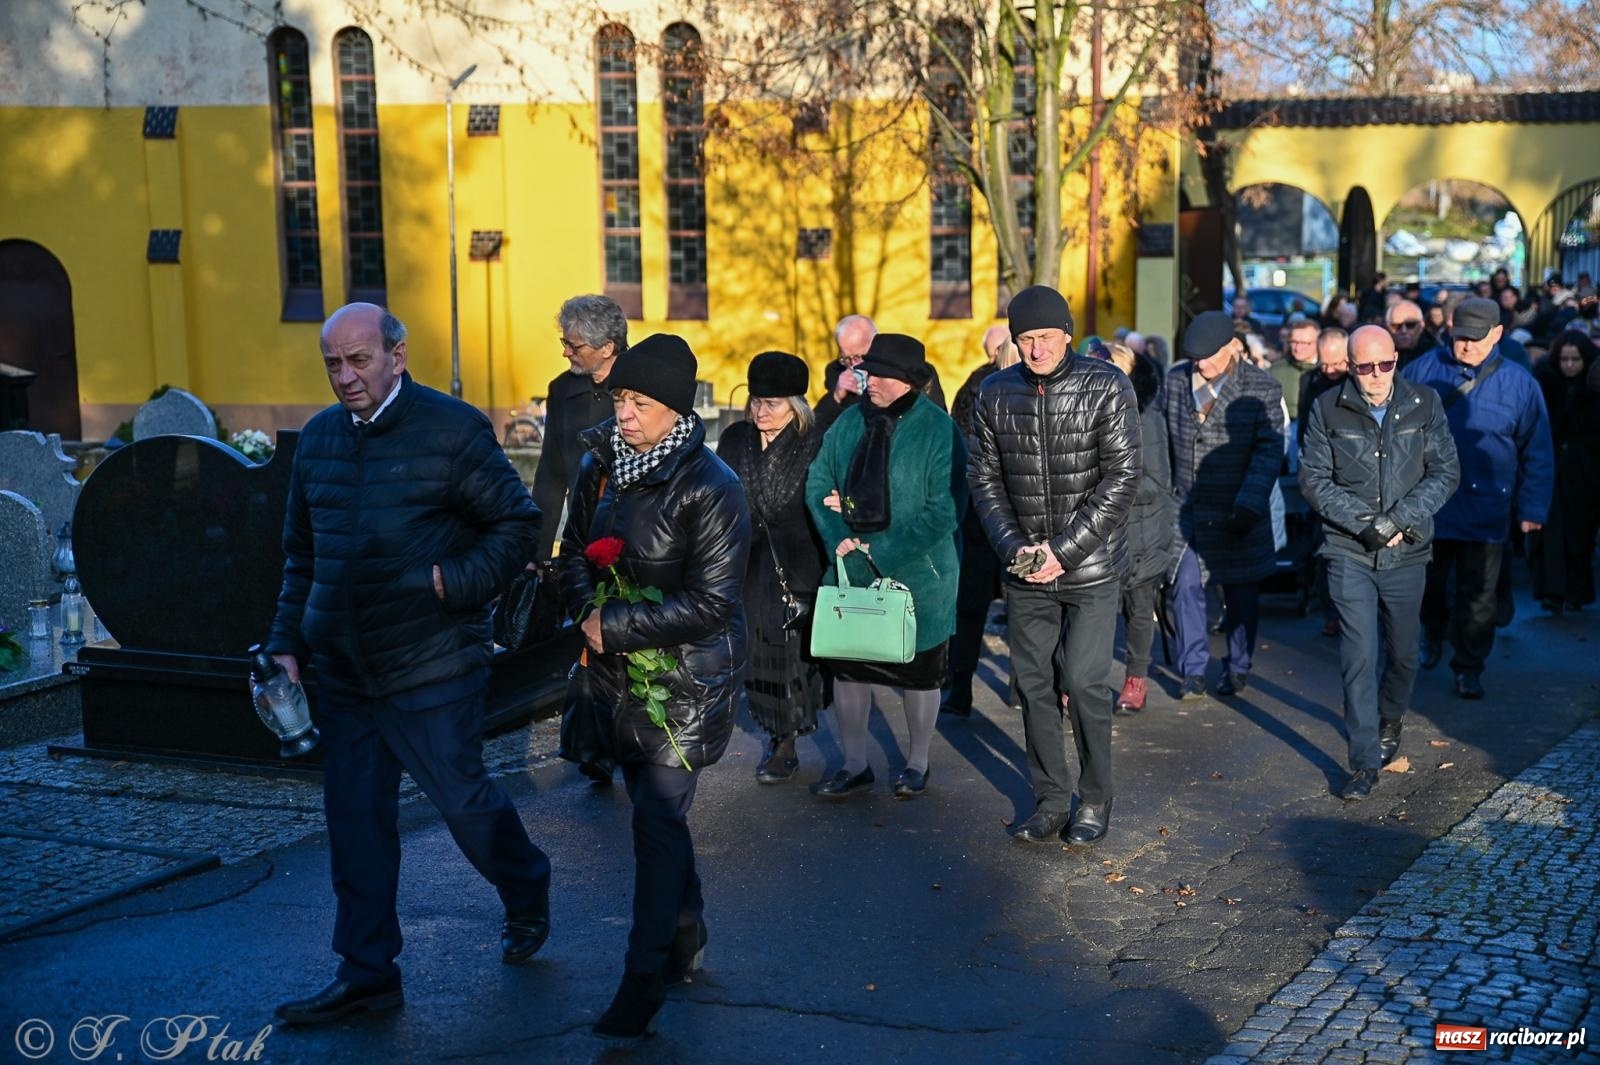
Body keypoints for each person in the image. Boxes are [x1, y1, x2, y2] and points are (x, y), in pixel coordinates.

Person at [269, 303, 551, 1025]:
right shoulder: (321, 439)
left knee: (463, 802)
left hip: (431, 662)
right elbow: (303, 555)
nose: (345, 376)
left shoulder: (452, 429)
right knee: (356, 824)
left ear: (397, 354)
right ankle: (368, 972)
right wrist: (286, 643)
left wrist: (450, 583)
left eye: (358, 359)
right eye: (333, 363)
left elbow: (518, 525)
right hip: (342, 670)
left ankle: (525, 887)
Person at [556, 333, 751, 1038]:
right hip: (614, 668)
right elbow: (574, 551)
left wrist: (620, 624)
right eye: (619, 398)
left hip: (688, 678)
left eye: (640, 402)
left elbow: (714, 601)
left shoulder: (714, 486)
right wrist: (588, 612)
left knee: (655, 818)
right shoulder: (598, 464)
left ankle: (642, 982)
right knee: (652, 808)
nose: (626, 413)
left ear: (675, 407)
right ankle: (686, 928)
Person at [968, 285, 1140, 845]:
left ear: (1067, 333)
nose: (1036, 349)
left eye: (1045, 336)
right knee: (1034, 685)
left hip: (1088, 567)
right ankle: (1048, 798)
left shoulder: (1107, 385)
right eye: (1025, 339)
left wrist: (1061, 552)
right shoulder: (994, 393)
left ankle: (1093, 798)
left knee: (1087, 681)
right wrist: (1018, 549)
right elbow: (984, 480)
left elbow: (1121, 478)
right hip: (1024, 566)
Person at [1300, 326, 1459, 801]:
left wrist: (1397, 522)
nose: (1375, 375)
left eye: (1384, 364)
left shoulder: (1424, 402)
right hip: (1349, 550)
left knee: (1405, 653)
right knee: (1358, 656)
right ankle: (1364, 762)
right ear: (1350, 366)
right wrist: (1367, 524)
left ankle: (1392, 715)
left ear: (1396, 359)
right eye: (1364, 366)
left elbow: (1445, 472)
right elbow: (1314, 479)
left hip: (1408, 549)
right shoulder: (1327, 407)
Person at [806, 333, 964, 800]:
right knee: (850, 667)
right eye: (865, 371)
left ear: (905, 380)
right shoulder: (848, 423)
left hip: (921, 575)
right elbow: (818, 484)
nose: (866, 380)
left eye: (877, 374)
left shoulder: (938, 428)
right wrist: (843, 538)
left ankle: (917, 762)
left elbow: (947, 507)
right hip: (850, 567)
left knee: (919, 671)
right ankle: (855, 764)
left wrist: (884, 550)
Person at [1402, 297, 1554, 699]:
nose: (1466, 345)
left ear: (1497, 334)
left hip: (1489, 506)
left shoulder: (1521, 384)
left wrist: (1533, 509)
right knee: (1429, 584)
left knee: (1479, 595)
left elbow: (1537, 451)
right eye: (1459, 337)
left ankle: (1469, 666)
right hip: (1430, 504)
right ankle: (1432, 630)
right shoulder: (1421, 371)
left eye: (1475, 338)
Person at [715, 351, 827, 781]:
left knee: (792, 660)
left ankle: (786, 740)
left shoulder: (814, 441)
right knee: (756, 654)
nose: (761, 411)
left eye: (773, 403)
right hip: (748, 566)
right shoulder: (734, 439)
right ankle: (777, 732)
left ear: (796, 404)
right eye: (756, 401)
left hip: (798, 566)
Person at [1164, 310, 1286, 698]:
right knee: (1184, 587)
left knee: (1241, 596)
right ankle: (1193, 670)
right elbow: (1161, 443)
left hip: (1238, 509)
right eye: (1194, 358)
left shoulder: (1262, 387)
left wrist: (1248, 503)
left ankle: (1238, 666)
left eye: (1207, 356)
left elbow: (1269, 451)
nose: (1200, 364)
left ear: (1231, 347)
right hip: (1188, 513)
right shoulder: (1174, 383)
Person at [943, 325, 1018, 717]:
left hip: (983, 511)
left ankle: (962, 687)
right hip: (996, 512)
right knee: (995, 603)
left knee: (978, 605)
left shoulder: (976, 387)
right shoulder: (982, 389)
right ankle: (971, 684)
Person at [531, 294, 628, 559]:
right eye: (565, 342)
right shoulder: (561, 390)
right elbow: (551, 475)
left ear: (607, 348)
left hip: (634, 538)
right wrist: (537, 555)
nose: (565, 352)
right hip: (580, 538)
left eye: (575, 346)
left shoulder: (644, 386)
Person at [1104, 342, 1174, 714]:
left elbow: (1159, 483)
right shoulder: (1092, 412)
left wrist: (1112, 489)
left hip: (1141, 532)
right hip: (1100, 533)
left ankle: (1136, 679)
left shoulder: (1148, 417)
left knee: (1138, 608)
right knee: (1091, 611)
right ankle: (1079, 680)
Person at [1529, 332, 1600, 614]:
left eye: (1575, 360)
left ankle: (1576, 591)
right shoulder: (1547, 385)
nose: (1569, 365)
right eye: (1565, 359)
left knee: (1579, 536)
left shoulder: (1593, 390)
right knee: (1550, 535)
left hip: (1585, 473)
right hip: (1553, 468)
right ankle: (1553, 592)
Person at [817, 314, 944, 429]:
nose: (853, 365)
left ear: (875, 346)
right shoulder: (837, 371)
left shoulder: (912, 371)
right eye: (846, 358)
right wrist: (836, 396)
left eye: (858, 357)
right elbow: (816, 424)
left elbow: (937, 418)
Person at [1385, 298, 1435, 369]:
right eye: (1396, 326)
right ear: (1388, 327)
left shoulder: (1436, 356)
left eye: (1410, 325)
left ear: (1421, 325)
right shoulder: (1379, 357)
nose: (1403, 331)